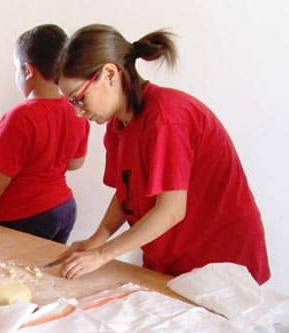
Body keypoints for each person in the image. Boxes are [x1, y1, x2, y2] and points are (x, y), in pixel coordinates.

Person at [56, 24, 269, 283]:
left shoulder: (166, 118)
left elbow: (171, 210)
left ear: (109, 74)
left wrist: (103, 254)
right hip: (171, 255)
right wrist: (96, 240)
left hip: (220, 258)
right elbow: (127, 193)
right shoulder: (117, 125)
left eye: (79, 99)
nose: (78, 111)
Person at [0, 25, 89, 243]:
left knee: (12, 275)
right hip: (64, 207)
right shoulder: (77, 109)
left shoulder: (20, 116)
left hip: (23, 214)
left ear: (28, 70)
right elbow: (76, 162)